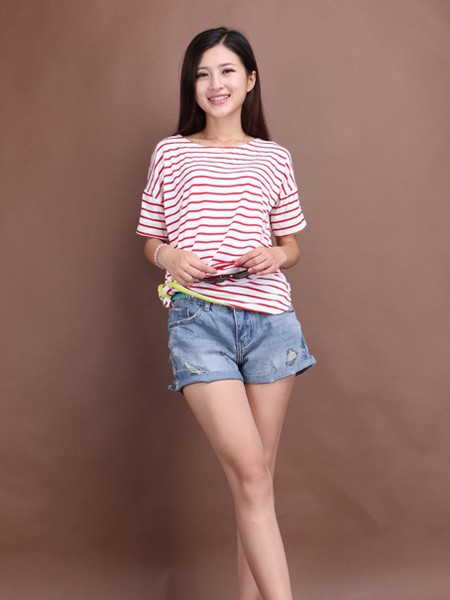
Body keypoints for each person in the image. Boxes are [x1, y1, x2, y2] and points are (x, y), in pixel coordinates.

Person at [137, 26, 316, 600]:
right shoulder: (171, 152)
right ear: (192, 86)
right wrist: (169, 256)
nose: (215, 84)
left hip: (270, 322)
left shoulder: (274, 157)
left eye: (227, 71)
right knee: (250, 473)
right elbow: (151, 238)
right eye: (202, 74)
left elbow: (292, 246)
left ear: (250, 80)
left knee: (256, 483)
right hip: (200, 321)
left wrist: (276, 255)